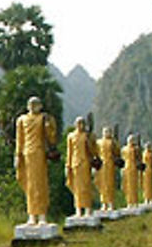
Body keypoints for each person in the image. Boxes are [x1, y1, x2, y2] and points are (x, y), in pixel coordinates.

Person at [14, 96, 56, 224]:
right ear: (27, 106)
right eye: (31, 104)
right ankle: (31, 215)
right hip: (26, 154)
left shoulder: (43, 118)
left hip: (39, 153)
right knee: (30, 185)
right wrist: (17, 155)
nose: (33, 106)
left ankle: (42, 215)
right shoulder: (21, 120)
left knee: (40, 184)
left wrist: (49, 127)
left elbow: (52, 138)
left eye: (36, 104)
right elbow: (19, 139)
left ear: (40, 106)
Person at [65, 116, 97, 217]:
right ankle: (78, 209)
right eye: (79, 123)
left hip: (85, 163)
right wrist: (68, 165)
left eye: (82, 123)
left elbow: (93, 150)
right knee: (77, 187)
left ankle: (87, 208)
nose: (81, 125)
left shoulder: (86, 136)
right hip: (75, 163)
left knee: (86, 186)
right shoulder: (71, 136)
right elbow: (69, 152)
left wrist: (89, 139)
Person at [95, 127, 118, 211]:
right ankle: (104, 203)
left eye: (108, 131)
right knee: (102, 184)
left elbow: (117, 152)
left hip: (110, 164)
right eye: (105, 131)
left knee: (110, 184)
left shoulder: (113, 142)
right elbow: (95, 153)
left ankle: (111, 202)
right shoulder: (98, 142)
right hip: (102, 165)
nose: (107, 133)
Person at [121, 134, 140, 208]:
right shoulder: (124, 149)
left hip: (134, 167)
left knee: (134, 185)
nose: (131, 141)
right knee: (127, 185)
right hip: (127, 167)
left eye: (132, 140)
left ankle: (135, 201)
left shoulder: (136, 149)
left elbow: (138, 158)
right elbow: (123, 158)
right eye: (130, 140)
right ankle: (129, 202)